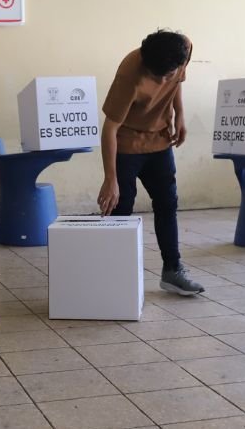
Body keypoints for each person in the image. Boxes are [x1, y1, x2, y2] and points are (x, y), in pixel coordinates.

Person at [98, 29, 204, 296]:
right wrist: (110, 180)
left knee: (168, 203)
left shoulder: (184, 49)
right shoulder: (129, 74)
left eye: (167, 75)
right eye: (157, 77)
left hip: (159, 141)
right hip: (126, 144)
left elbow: (176, 81)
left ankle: (172, 270)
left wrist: (179, 114)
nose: (163, 81)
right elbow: (110, 128)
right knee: (121, 206)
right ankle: (112, 274)